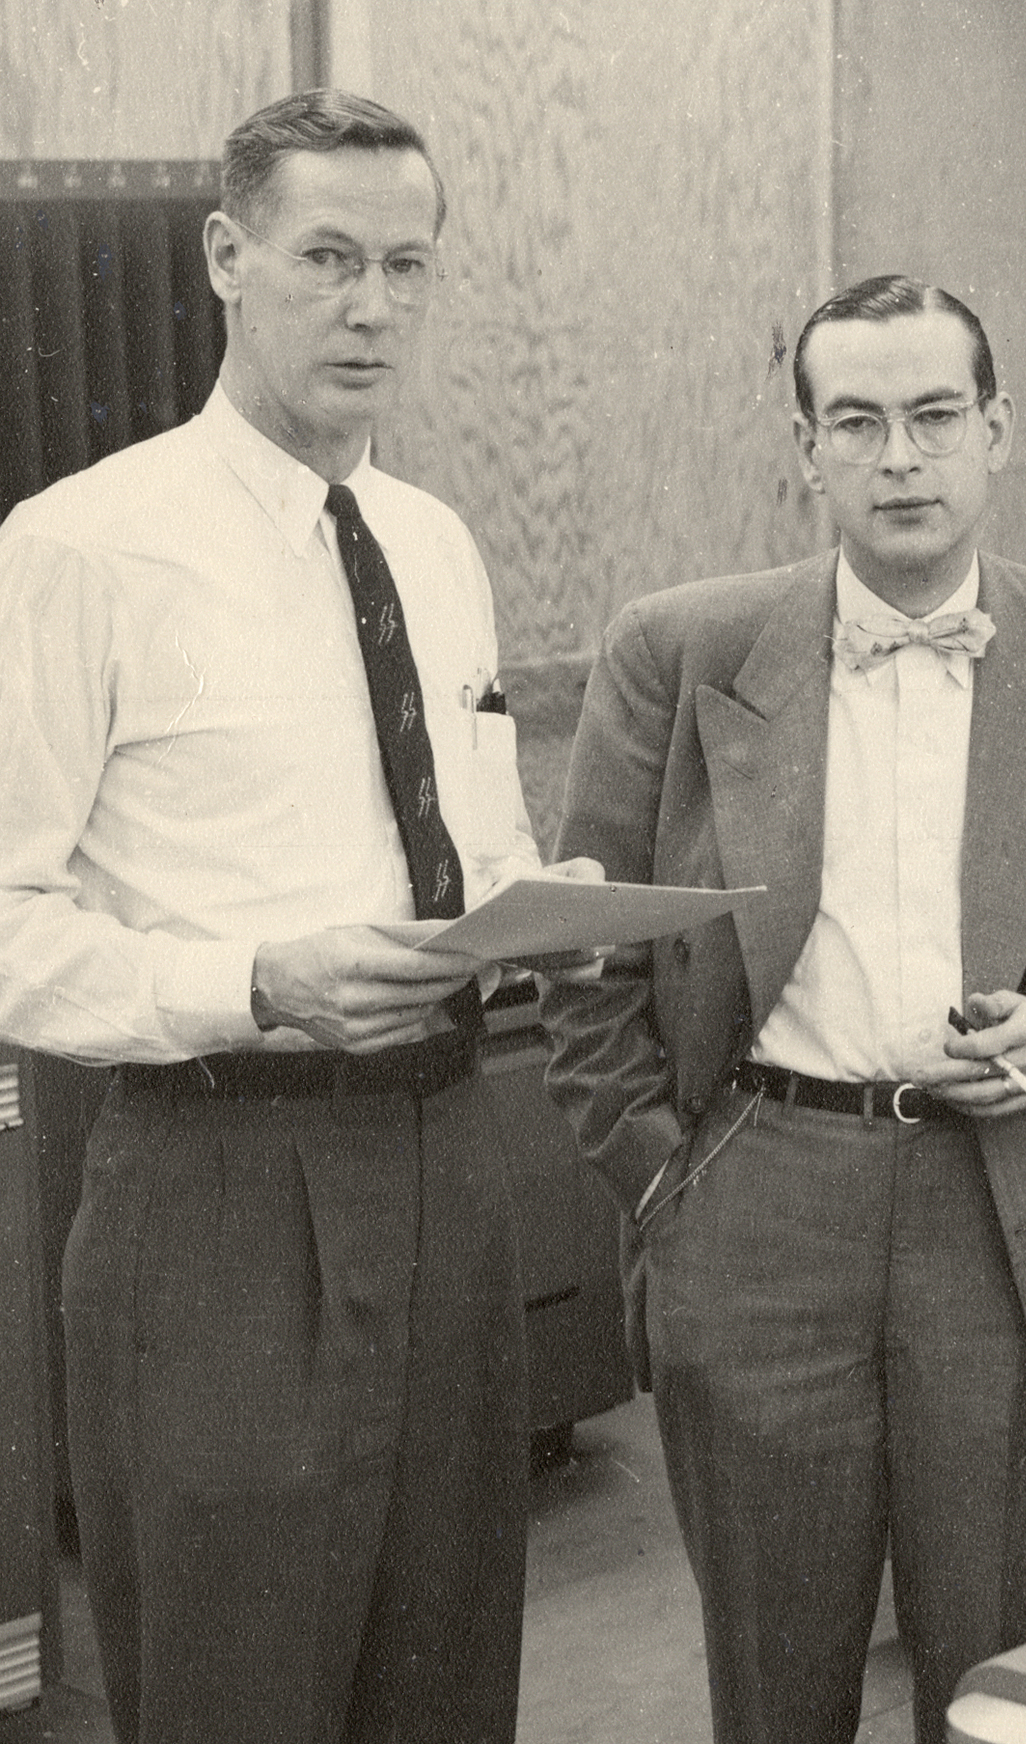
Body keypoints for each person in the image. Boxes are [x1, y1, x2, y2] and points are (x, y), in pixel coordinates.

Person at [539, 273, 1026, 1744]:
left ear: (998, 428)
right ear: (807, 450)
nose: (899, 457)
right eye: (858, 423)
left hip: (1004, 1204)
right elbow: (589, 961)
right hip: (759, 1196)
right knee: (775, 1683)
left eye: (931, 418)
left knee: (993, 1673)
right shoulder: (679, 649)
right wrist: (667, 1178)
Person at [0, 89, 577, 1743]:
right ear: (224, 257)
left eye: (407, 264)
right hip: (218, 1181)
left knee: (450, 1671)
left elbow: (469, 836)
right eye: (328, 257)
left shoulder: (436, 539)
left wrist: (546, 902)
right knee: (238, 1678)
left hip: (452, 1159)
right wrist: (249, 978)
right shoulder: (83, 547)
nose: (371, 305)